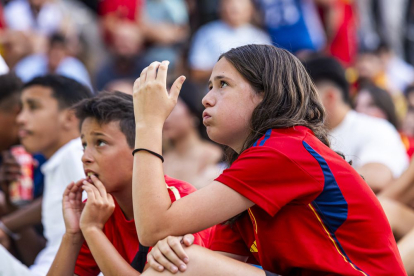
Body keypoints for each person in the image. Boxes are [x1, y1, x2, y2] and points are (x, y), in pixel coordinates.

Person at [130, 45, 405, 275]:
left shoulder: (284, 149)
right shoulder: (257, 161)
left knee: (180, 264)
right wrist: (172, 247)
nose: (206, 99)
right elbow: (220, 259)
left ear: (266, 94)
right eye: (209, 86)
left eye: (223, 84)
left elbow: (153, 226)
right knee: (176, 260)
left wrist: (149, 124)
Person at [47, 91, 213, 276]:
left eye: (100, 142)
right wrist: (73, 234)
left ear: (140, 150)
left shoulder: (178, 199)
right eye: (84, 145)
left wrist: (93, 230)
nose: (85, 157)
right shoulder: (97, 211)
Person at [0, 75, 92, 276]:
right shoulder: (60, 161)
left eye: (33, 107)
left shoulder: (76, 154)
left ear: (69, 117)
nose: (20, 118)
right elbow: (46, 252)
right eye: (21, 109)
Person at [303, 55, 408, 193]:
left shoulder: (374, 127)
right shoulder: (304, 135)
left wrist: (307, 185)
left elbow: (378, 177)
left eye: (302, 97)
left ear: (329, 98)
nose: (294, 105)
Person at [188, 0, 271, 84]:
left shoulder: (261, 37)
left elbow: (268, 72)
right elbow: (196, 72)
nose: (234, 8)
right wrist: (229, 68)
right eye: (230, 4)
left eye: (240, 4)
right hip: (216, 92)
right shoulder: (206, 33)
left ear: (250, 9)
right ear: (220, 7)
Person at [163, 81, 223, 189]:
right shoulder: (161, 161)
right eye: (162, 109)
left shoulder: (215, 157)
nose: (165, 116)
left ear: (192, 113)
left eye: (172, 108)